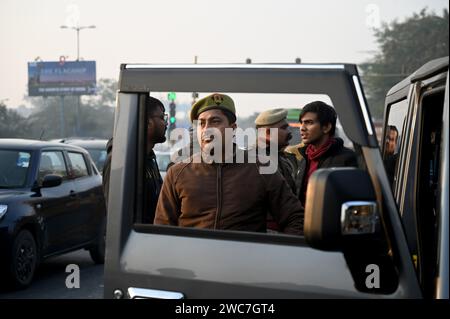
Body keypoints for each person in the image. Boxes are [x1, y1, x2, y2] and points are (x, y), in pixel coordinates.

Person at [154, 93, 303, 235]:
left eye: (215, 121)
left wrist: (274, 255)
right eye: (201, 123)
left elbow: (295, 218)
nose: (207, 129)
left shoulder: (262, 168)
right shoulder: (177, 173)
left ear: (233, 129)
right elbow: (162, 229)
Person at [103, 96, 168, 223]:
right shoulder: (120, 161)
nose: (166, 123)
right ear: (148, 122)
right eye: (162, 118)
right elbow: (118, 216)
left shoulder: (149, 158)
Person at [295, 101, 357, 206]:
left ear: (326, 127)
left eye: (309, 122)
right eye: (302, 122)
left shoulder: (346, 159)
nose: (302, 128)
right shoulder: (304, 157)